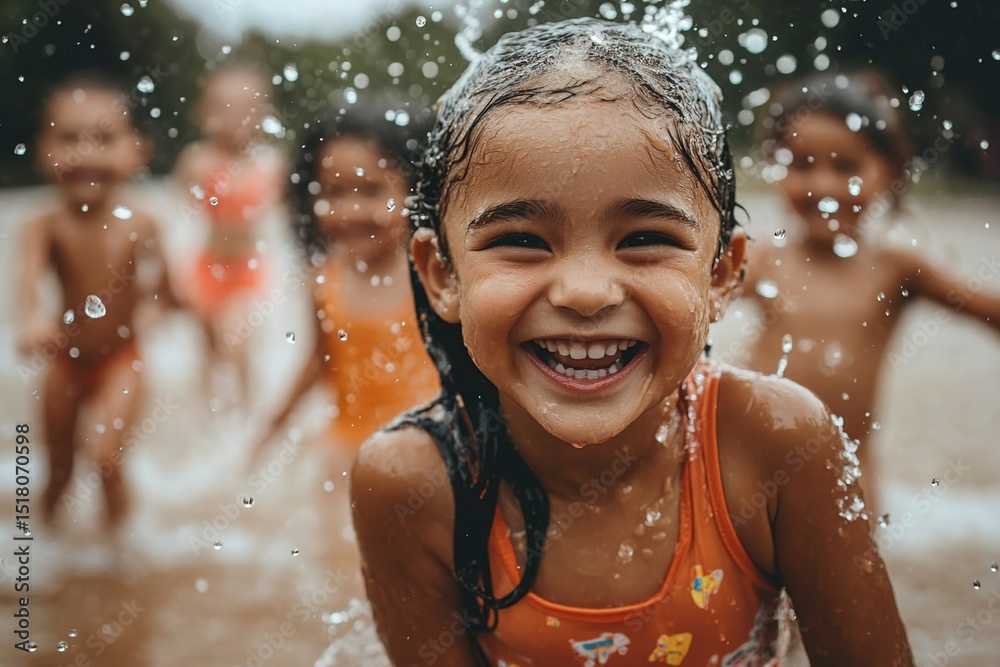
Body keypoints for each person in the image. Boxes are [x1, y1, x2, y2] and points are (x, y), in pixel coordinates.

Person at [351, 18, 914, 667]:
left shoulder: (777, 446)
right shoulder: (412, 484)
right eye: (523, 241)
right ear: (442, 274)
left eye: (645, 238)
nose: (586, 292)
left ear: (722, 274)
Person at [739, 71, 1000, 508]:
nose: (823, 187)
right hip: (749, 468)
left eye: (846, 167)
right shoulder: (764, 259)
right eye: (802, 164)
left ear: (889, 171)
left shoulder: (896, 269)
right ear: (773, 164)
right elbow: (687, 302)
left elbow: (988, 309)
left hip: (849, 476)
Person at [17, 73, 181, 529]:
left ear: (137, 150)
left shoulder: (143, 224)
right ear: (43, 151)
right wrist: (32, 318)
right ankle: (48, 556)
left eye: (104, 139)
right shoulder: (44, 225)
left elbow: (167, 289)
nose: (85, 154)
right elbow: (27, 281)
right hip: (65, 364)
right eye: (69, 139)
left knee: (107, 458)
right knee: (59, 471)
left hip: (120, 362)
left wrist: (161, 308)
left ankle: (120, 555)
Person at [249, 102, 439, 460]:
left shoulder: (429, 270)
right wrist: (269, 431)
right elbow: (320, 362)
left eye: (370, 191)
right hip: (346, 448)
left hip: (425, 449)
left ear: (413, 189)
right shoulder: (323, 279)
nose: (350, 211)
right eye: (334, 192)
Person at [173, 62, 285, 414]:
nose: (234, 117)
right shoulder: (196, 160)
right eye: (223, 106)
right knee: (207, 349)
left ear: (264, 115)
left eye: (245, 108)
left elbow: (288, 221)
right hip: (205, 268)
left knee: (236, 340)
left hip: (248, 269)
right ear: (203, 112)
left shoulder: (269, 164)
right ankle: (211, 419)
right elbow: (173, 217)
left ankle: (248, 411)